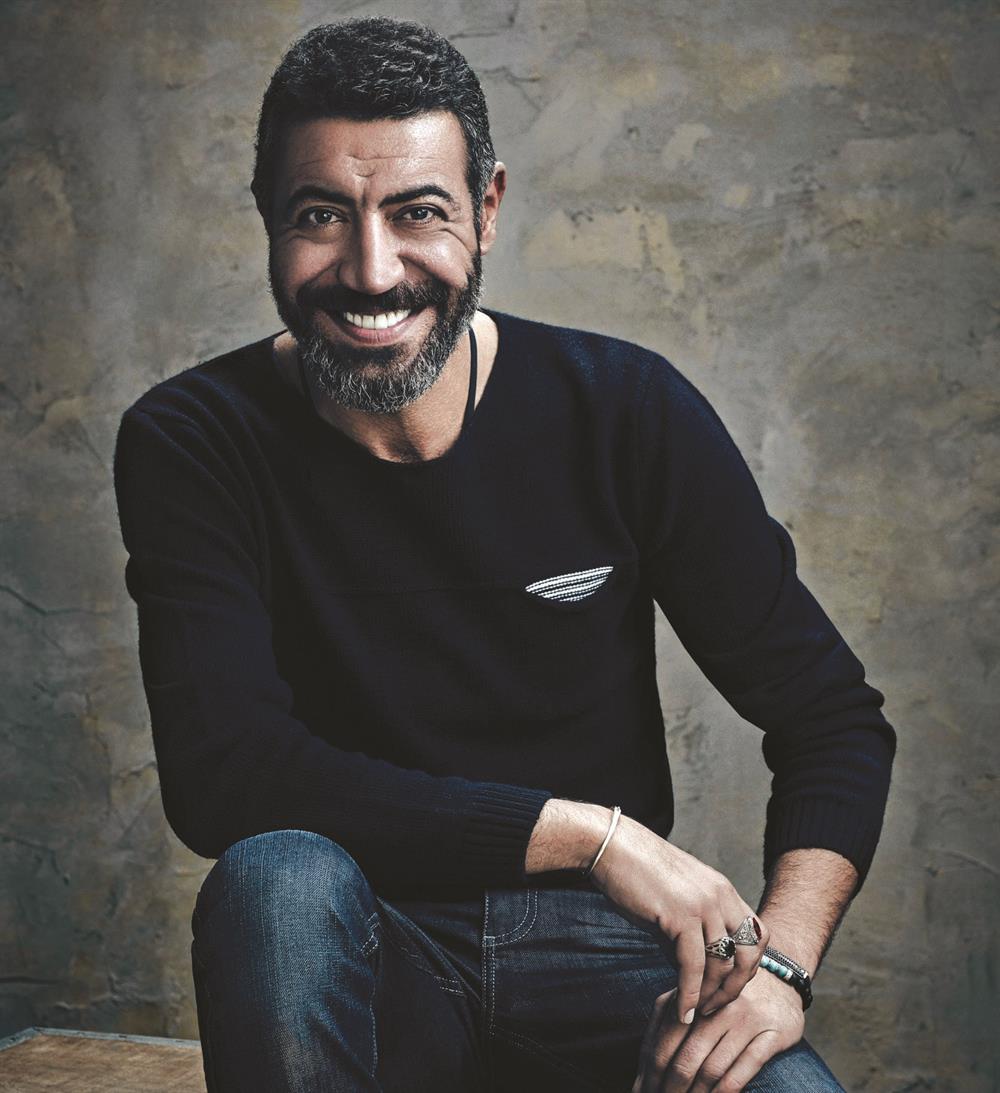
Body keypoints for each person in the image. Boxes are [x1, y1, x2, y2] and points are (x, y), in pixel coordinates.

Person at [113, 17, 895, 1093]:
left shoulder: (624, 409)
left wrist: (782, 969)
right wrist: (594, 837)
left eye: (418, 212)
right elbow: (226, 776)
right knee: (274, 877)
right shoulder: (194, 440)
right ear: (267, 218)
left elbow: (832, 720)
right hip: (365, 951)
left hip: (613, 963)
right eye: (320, 215)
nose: (371, 271)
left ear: (486, 209)